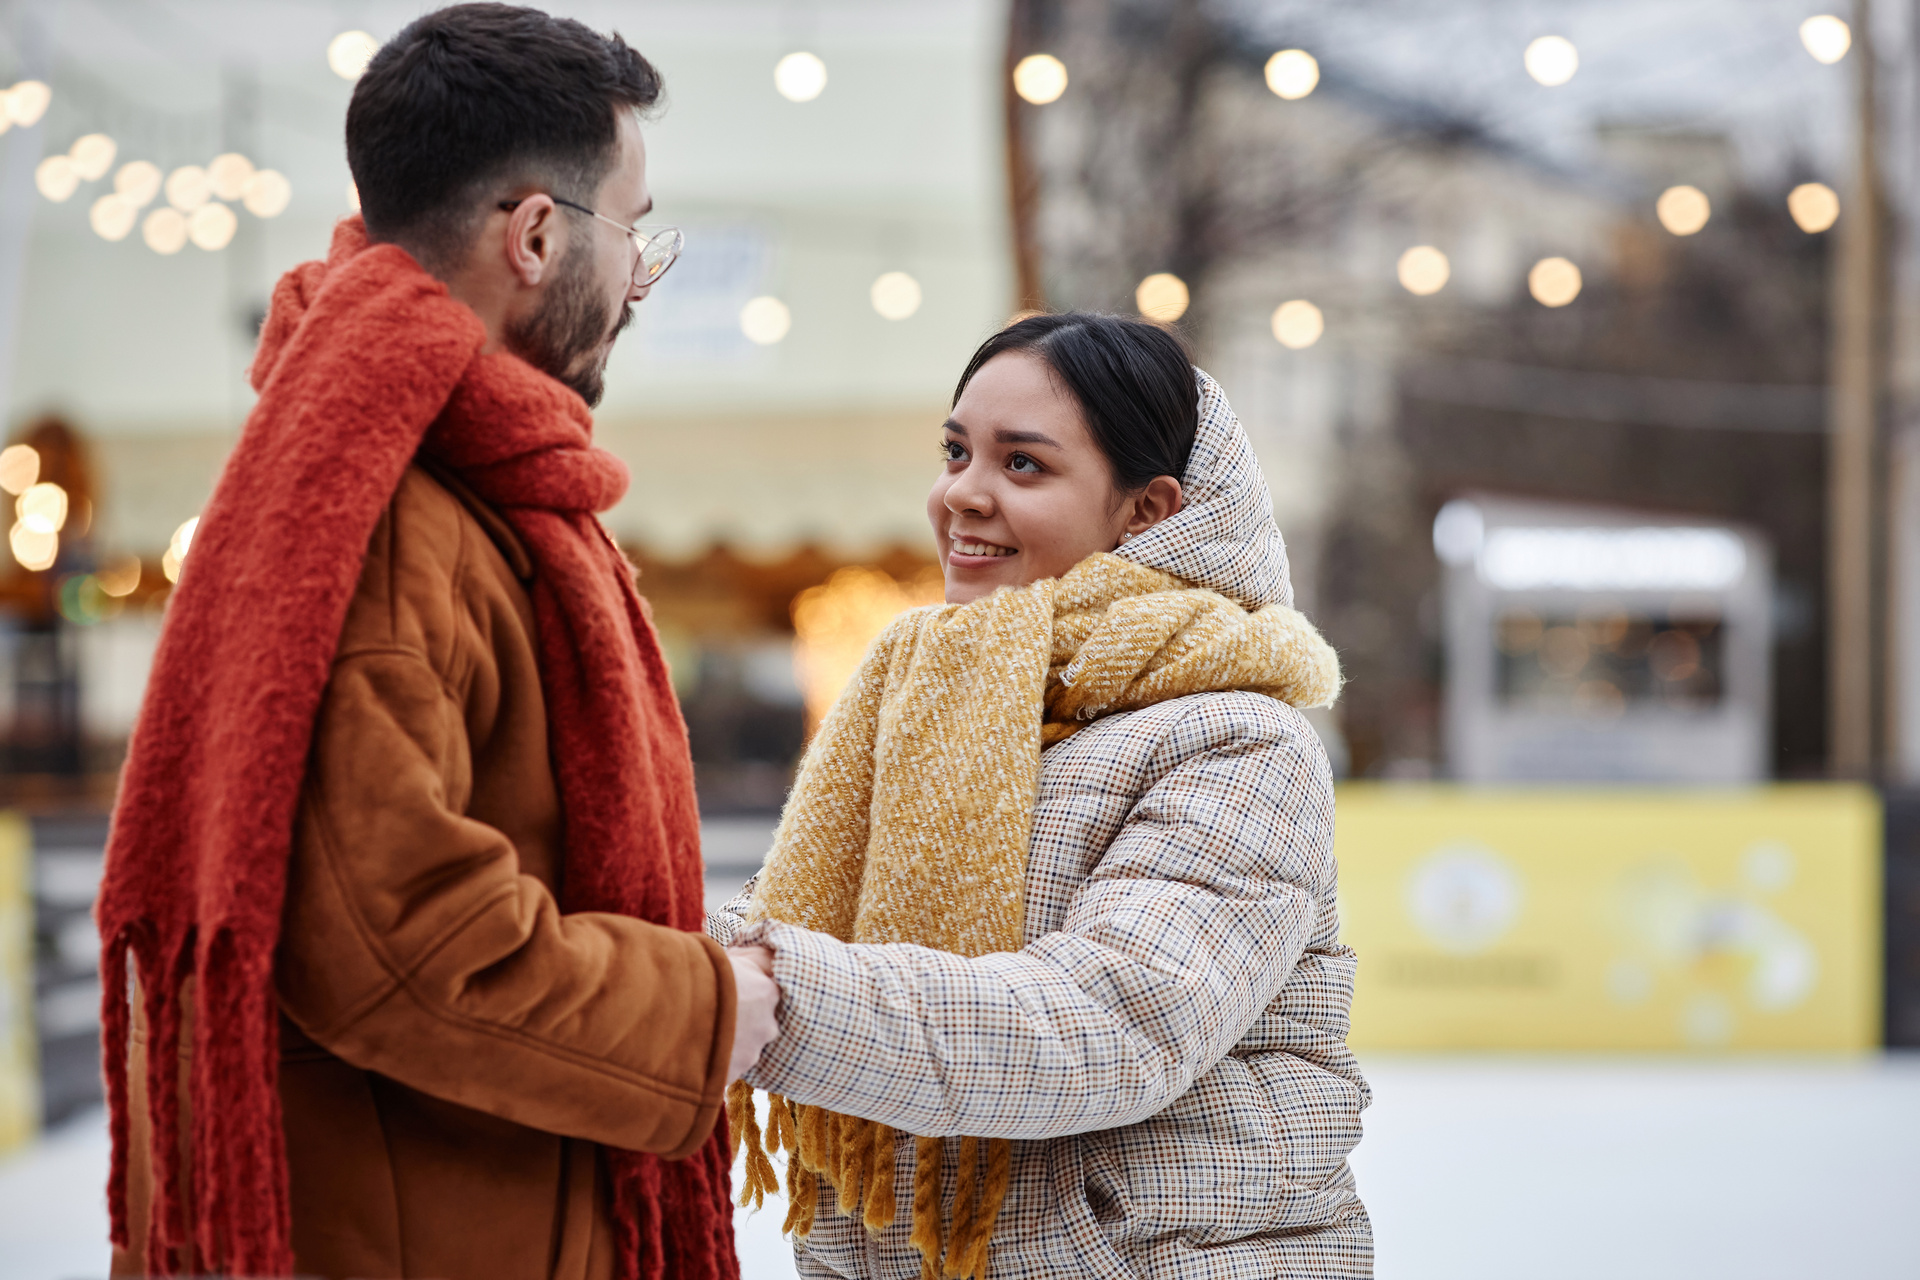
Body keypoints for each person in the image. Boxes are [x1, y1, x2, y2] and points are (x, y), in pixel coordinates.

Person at [94, 7, 778, 1279]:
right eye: (635, 232)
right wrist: (710, 1009)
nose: (639, 278)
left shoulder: (414, 480)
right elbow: (404, 943)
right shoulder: (393, 515)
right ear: (535, 235)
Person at [714, 313, 1371, 1279]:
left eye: (1023, 466)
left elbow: (1106, 1027)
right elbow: (799, 921)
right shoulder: (927, 697)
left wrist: (771, 990)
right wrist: (657, 955)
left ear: (1147, 510)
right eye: (956, 451)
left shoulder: (1240, 743)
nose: (961, 496)